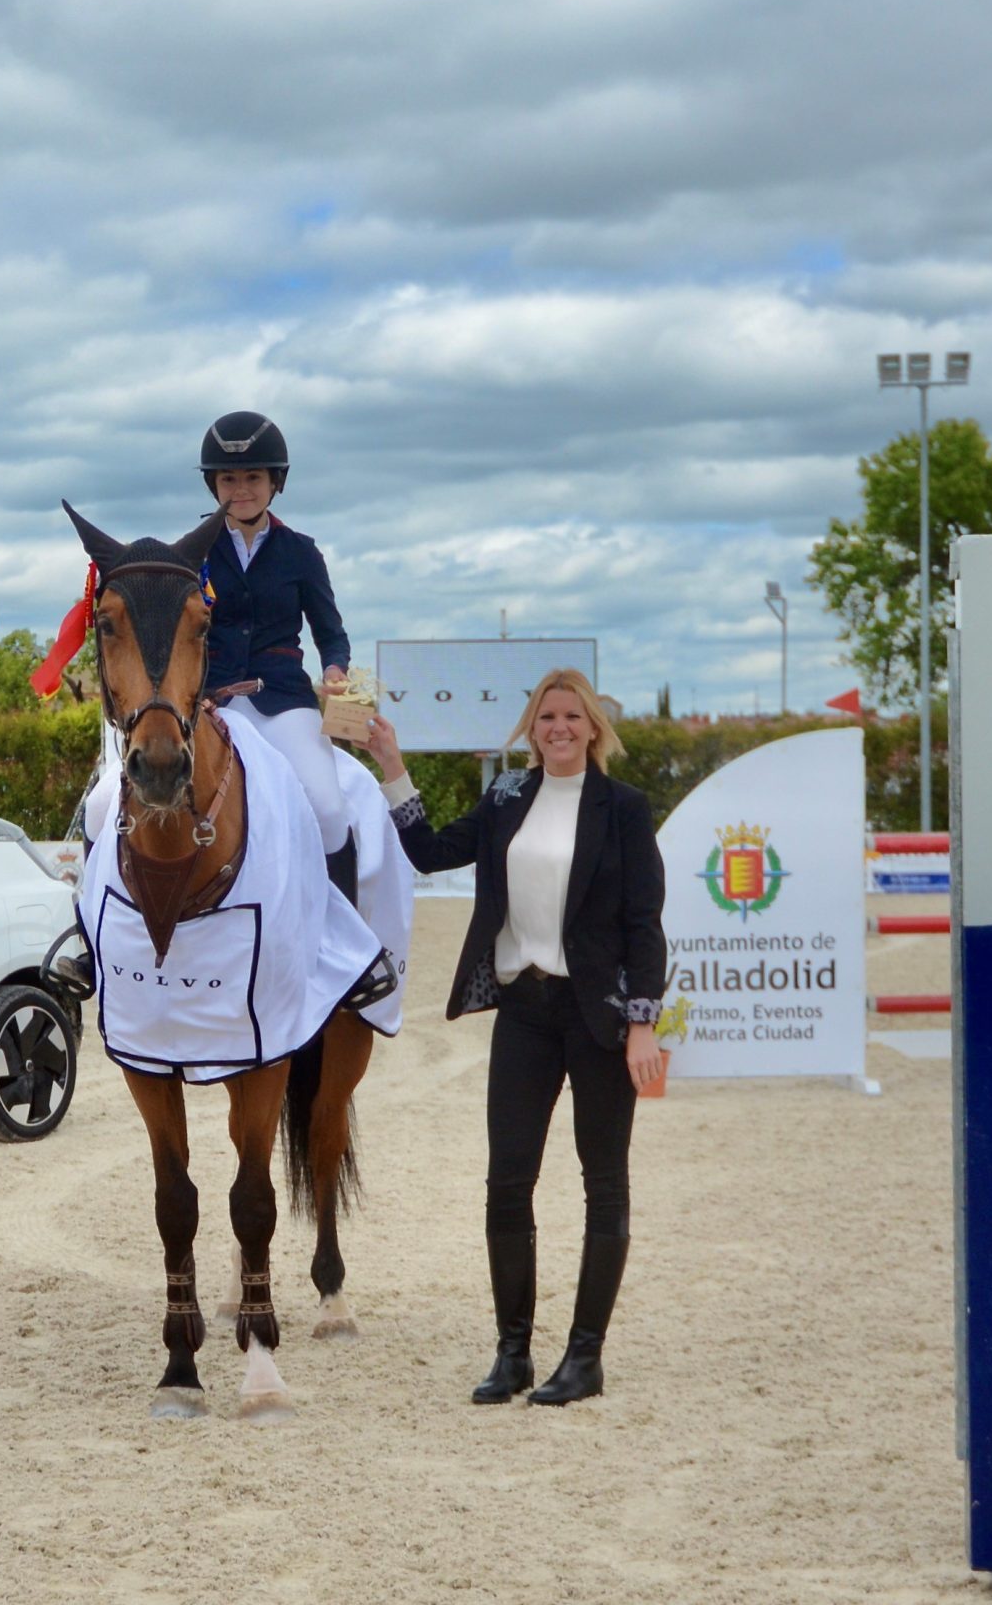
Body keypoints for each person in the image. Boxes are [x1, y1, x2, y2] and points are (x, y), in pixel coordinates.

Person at [366, 669, 667, 1406]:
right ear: (531, 729)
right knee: (507, 1183)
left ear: (593, 726)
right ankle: (513, 1355)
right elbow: (431, 852)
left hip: (597, 1018)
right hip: (525, 1012)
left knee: (604, 1186)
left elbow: (644, 927)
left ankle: (585, 1358)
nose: (558, 728)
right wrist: (393, 767)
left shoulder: (623, 809)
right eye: (545, 717)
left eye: (571, 716)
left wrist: (642, 1027)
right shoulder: (505, 798)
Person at [194, 410, 360, 898]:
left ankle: (345, 937)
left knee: (329, 809)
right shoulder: (190, 553)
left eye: (252, 477)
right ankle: (99, 932)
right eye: (228, 478)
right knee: (112, 802)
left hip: (281, 700)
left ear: (274, 482)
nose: (240, 489)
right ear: (214, 485)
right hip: (208, 703)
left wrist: (334, 670)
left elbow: (332, 633)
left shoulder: (300, 552)